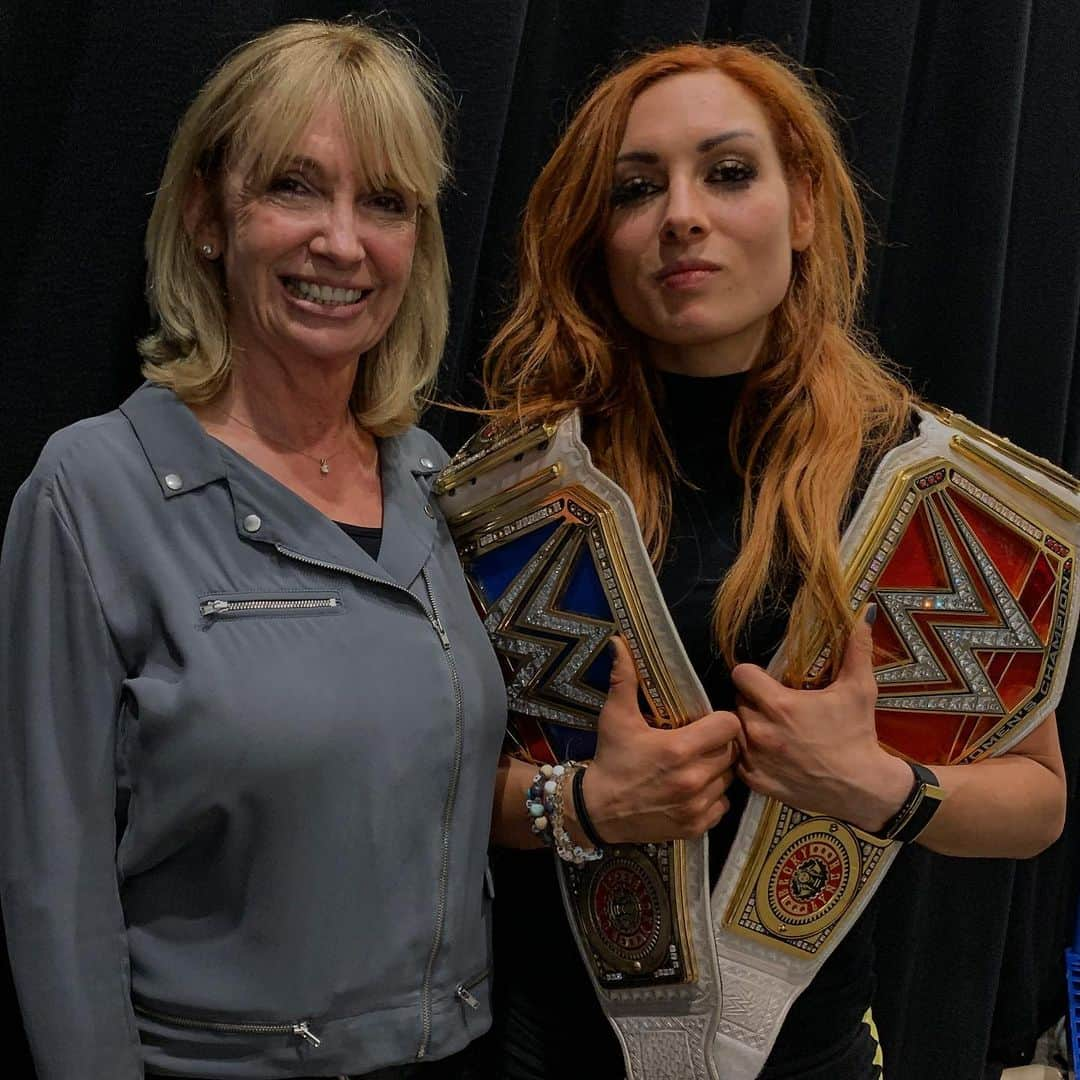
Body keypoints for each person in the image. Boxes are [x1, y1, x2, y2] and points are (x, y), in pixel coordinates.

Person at [472, 42, 1068, 1079]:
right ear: (599, 238)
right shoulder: (513, 494)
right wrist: (578, 805)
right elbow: (422, 788)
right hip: (544, 1055)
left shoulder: (923, 489)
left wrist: (880, 788)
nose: (683, 216)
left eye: (729, 172)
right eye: (636, 188)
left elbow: (1037, 801)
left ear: (803, 210)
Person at [0, 20, 506, 1080]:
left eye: (386, 202)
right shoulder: (94, 489)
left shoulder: (430, 480)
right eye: (293, 187)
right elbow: (55, 882)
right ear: (207, 217)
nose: (342, 241)